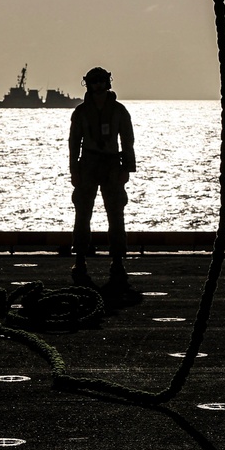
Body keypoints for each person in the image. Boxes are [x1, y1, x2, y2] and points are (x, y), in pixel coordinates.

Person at [69, 67, 136, 289]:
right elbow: (73, 142)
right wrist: (74, 170)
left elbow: (128, 141)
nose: (97, 85)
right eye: (93, 81)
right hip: (87, 164)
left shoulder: (119, 111)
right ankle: (80, 259)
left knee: (116, 214)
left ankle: (117, 261)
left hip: (111, 165)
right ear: (87, 84)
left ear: (108, 83)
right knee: (82, 213)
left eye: (101, 81)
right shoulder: (80, 112)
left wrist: (127, 168)